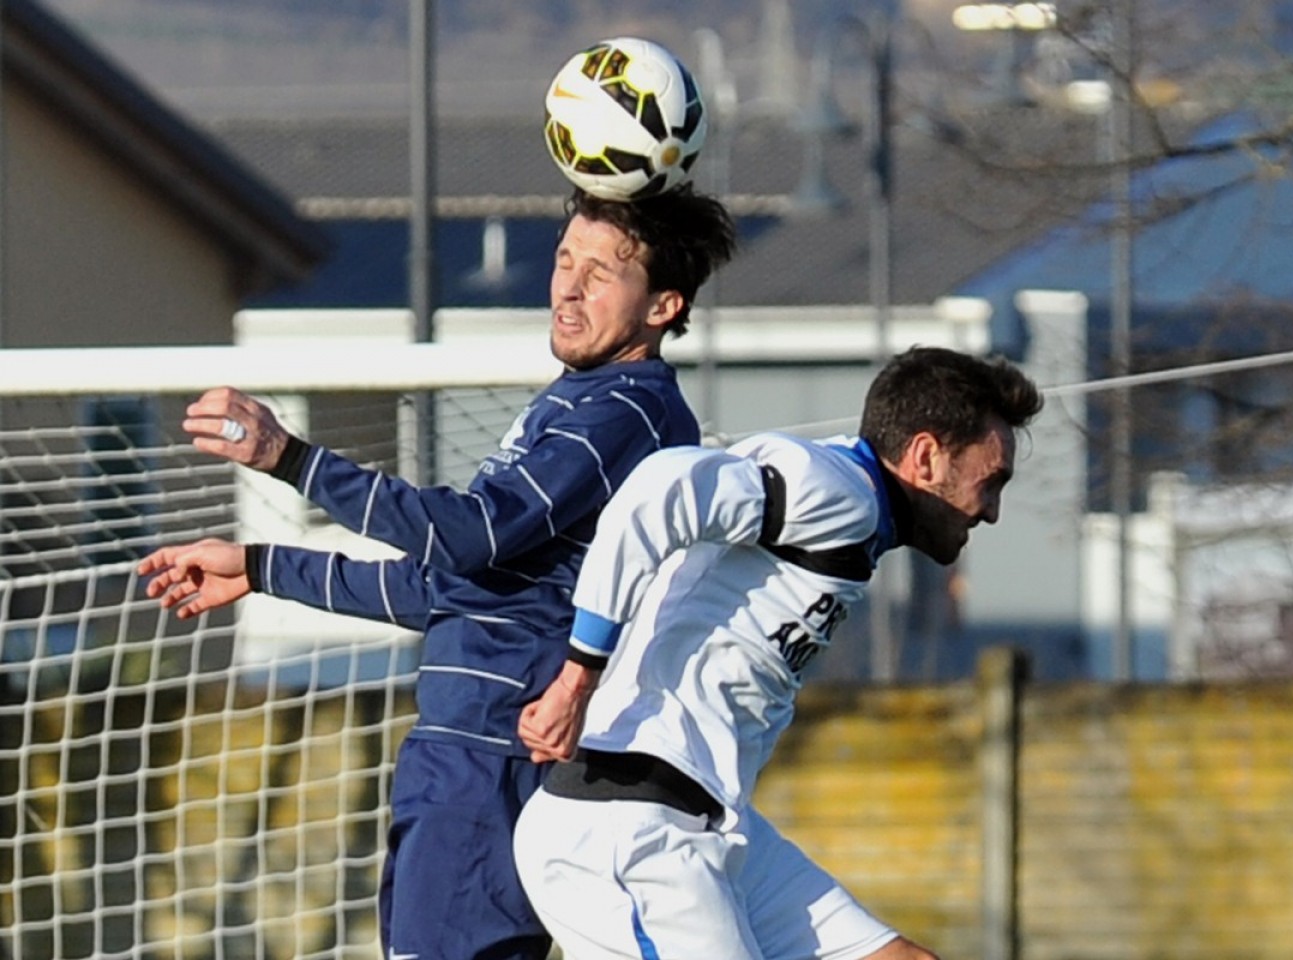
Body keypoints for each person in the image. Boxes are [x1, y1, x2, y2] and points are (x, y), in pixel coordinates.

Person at [137, 184, 737, 960]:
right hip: (464, 754)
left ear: (662, 306)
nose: (568, 285)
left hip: (491, 754)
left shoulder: (623, 413)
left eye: (602, 271)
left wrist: (290, 458)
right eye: (564, 260)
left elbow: (466, 536)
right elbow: (442, 588)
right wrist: (259, 567)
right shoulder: (584, 402)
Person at [513, 346, 1044, 960]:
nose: (994, 511)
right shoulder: (839, 490)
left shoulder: (850, 503)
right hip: (626, 830)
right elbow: (657, 491)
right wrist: (577, 677)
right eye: (992, 480)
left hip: (711, 823)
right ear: (926, 457)